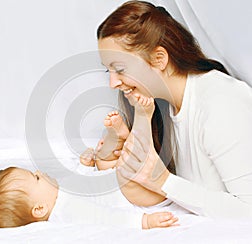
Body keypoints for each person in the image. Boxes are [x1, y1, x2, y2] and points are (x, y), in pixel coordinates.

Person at [92, 0, 252, 219]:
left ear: (159, 59)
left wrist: (162, 181)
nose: (113, 83)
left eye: (120, 69)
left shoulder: (221, 105)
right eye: (108, 71)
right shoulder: (163, 107)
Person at [0, 165, 179, 230]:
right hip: (129, 195)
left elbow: (82, 182)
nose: (39, 172)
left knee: (108, 158)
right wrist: (145, 221)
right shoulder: (66, 209)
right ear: (39, 209)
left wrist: (85, 165)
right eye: (36, 177)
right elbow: (105, 216)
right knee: (134, 168)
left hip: (114, 181)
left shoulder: (56, 194)